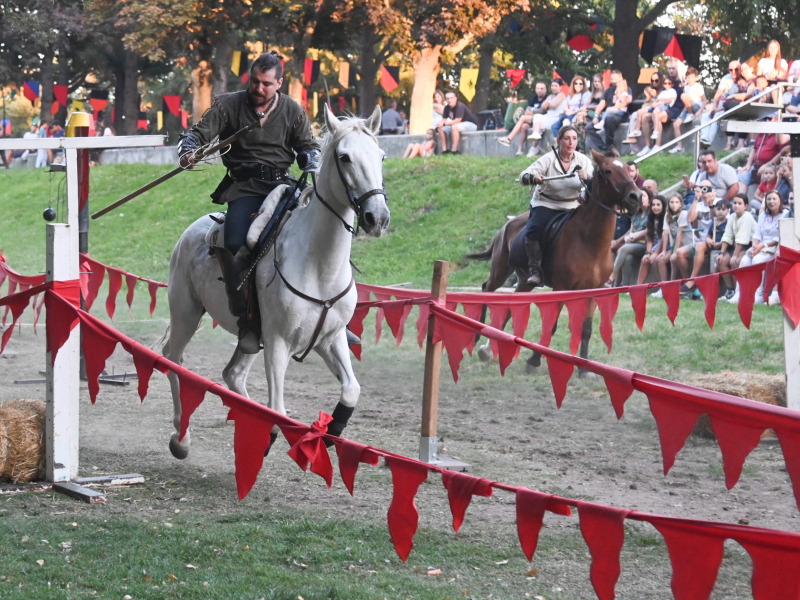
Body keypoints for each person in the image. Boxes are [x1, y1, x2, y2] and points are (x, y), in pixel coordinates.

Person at [178, 51, 320, 354]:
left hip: (283, 187)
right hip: (244, 187)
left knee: (322, 236)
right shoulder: (228, 105)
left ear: (279, 82)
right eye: (255, 81)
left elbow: (308, 147)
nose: (259, 89)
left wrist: (309, 159)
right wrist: (189, 150)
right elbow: (198, 134)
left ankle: (332, 319)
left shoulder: (293, 111)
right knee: (235, 242)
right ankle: (248, 322)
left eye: (267, 84)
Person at [518, 125, 593, 285]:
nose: (571, 142)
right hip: (546, 203)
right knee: (534, 230)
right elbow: (524, 175)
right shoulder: (548, 159)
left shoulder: (583, 160)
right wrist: (534, 178)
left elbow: (596, 182)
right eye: (566, 138)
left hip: (573, 205)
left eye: (574, 138)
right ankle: (535, 270)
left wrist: (587, 178)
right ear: (559, 140)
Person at [737, 190, 789, 305]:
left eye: (774, 199)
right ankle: (740, 293)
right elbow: (757, 234)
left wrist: (763, 246)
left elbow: (779, 237)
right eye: (769, 199)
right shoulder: (763, 215)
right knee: (745, 260)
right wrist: (755, 247)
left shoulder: (785, 214)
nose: (771, 202)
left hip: (771, 248)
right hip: (760, 246)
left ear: (780, 200)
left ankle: (758, 294)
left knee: (757, 260)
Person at [679, 198, 731, 297]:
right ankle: (694, 282)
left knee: (714, 269)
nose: (720, 212)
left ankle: (711, 292)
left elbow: (729, 237)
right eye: (718, 209)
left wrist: (720, 244)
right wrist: (708, 240)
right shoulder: (714, 222)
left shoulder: (728, 223)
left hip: (722, 249)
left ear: (728, 211)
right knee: (700, 247)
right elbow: (708, 235)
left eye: (723, 209)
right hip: (712, 246)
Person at [672, 181, 717, 287]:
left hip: (713, 239)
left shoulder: (719, 202)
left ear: (713, 190)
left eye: (707, 188)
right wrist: (696, 199)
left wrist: (711, 204)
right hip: (699, 240)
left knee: (700, 245)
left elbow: (717, 220)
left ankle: (692, 281)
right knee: (679, 253)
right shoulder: (698, 204)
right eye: (701, 188)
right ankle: (687, 281)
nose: (704, 191)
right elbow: (690, 219)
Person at [718, 194, 756, 301]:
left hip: (749, 245)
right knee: (721, 262)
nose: (736, 206)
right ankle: (731, 290)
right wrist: (721, 253)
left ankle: (738, 292)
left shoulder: (747, 217)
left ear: (746, 206)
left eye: (740, 203)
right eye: (734, 203)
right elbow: (727, 235)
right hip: (736, 245)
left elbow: (742, 238)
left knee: (735, 262)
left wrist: (734, 256)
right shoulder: (731, 217)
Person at [736, 130, 789, 204]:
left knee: (768, 173)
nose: (766, 121)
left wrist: (768, 165)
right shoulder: (761, 133)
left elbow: (783, 154)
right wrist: (748, 164)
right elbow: (754, 149)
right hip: (755, 165)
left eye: (769, 119)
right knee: (740, 176)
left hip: (771, 165)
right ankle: (740, 204)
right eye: (765, 119)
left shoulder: (783, 135)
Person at [498, 81, 548, 156]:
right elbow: (527, 111)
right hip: (532, 119)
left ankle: (509, 138)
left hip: (541, 120)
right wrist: (535, 111)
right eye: (537, 88)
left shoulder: (547, 98)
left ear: (545, 90)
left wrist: (533, 111)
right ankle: (520, 150)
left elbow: (543, 111)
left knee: (523, 118)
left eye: (541, 88)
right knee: (523, 126)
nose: (539, 90)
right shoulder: (533, 99)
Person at [612, 189, 650, 286]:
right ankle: (623, 286)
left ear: (649, 199)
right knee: (628, 258)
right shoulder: (636, 213)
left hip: (645, 244)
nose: (641, 199)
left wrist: (636, 236)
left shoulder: (651, 213)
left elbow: (649, 230)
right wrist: (627, 237)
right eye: (640, 197)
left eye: (644, 196)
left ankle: (612, 274)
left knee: (623, 248)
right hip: (634, 243)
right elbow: (631, 230)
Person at [525, 79, 567, 155]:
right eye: (552, 86)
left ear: (560, 87)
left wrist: (547, 104)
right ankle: (535, 136)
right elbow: (542, 106)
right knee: (537, 116)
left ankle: (534, 147)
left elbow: (554, 105)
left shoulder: (561, 95)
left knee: (538, 126)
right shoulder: (550, 96)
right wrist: (548, 104)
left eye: (556, 86)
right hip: (548, 116)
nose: (553, 87)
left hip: (556, 118)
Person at [669, 67, 707, 153]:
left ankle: (690, 114)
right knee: (676, 124)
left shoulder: (698, 87)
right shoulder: (687, 87)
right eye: (688, 77)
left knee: (683, 96)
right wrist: (682, 113)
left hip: (696, 106)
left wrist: (699, 111)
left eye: (692, 77)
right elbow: (686, 103)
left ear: (696, 78)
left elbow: (705, 100)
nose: (690, 79)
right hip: (688, 109)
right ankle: (679, 146)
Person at [592, 72, 631, 150]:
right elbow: (601, 104)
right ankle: (602, 146)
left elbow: (627, 102)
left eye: (615, 79)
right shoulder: (608, 91)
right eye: (611, 79)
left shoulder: (626, 88)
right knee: (589, 127)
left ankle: (609, 145)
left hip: (620, 113)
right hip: (608, 112)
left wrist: (613, 108)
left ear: (621, 78)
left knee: (609, 119)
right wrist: (595, 116)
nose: (613, 81)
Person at [624, 71, 664, 145]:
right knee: (634, 115)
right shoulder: (650, 89)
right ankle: (631, 137)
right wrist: (648, 96)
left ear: (660, 80)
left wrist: (655, 96)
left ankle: (635, 138)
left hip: (656, 110)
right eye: (652, 81)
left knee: (640, 116)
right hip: (648, 109)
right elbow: (647, 102)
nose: (654, 82)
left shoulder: (663, 90)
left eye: (656, 80)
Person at [637, 194, 666, 287]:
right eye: (653, 205)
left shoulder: (665, 218)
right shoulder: (651, 218)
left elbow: (663, 238)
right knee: (645, 260)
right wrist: (648, 252)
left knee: (655, 259)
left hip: (666, 245)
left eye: (658, 205)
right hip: (656, 245)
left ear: (663, 206)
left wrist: (655, 252)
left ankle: (662, 286)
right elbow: (650, 237)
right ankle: (638, 287)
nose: (655, 207)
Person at [436, 90, 478, 154]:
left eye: (451, 98)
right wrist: (440, 124)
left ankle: (454, 151)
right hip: (459, 125)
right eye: (448, 99)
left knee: (454, 126)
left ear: (455, 98)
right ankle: (445, 151)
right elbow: (444, 119)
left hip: (470, 124)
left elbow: (458, 120)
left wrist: (444, 124)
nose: (449, 100)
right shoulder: (447, 108)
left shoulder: (459, 106)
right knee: (440, 128)